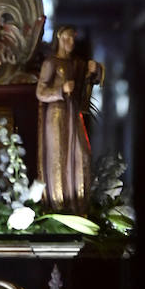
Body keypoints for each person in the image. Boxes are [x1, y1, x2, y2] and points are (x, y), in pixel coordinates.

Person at [36, 24, 103, 212]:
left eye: (73, 38)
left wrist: (92, 71)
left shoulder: (75, 64)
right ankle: (58, 204)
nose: (70, 42)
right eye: (66, 38)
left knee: (80, 154)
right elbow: (40, 92)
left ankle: (78, 203)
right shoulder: (51, 63)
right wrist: (60, 90)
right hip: (56, 115)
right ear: (58, 40)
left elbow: (86, 83)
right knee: (58, 157)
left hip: (73, 114)